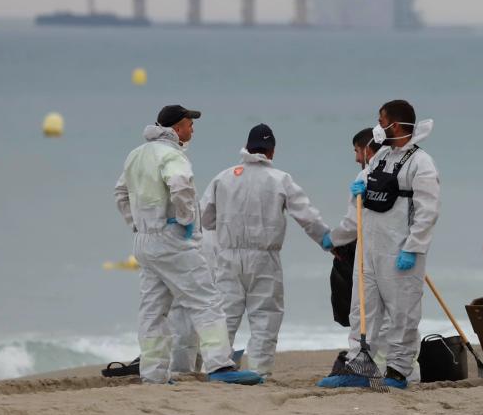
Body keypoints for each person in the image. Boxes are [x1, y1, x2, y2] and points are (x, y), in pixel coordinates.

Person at [113, 105, 261, 385]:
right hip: (171, 239)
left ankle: (153, 373)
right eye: (190, 125)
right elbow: (180, 185)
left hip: (144, 241)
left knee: (152, 309)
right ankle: (219, 364)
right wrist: (184, 219)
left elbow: (120, 193)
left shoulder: (136, 155)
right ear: (178, 128)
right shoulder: (172, 155)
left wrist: (135, 221)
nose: (192, 130)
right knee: (206, 300)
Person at [318, 100, 440, 390]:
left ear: (394, 125)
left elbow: (428, 210)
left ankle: (398, 370)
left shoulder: (420, 162)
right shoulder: (381, 156)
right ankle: (358, 364)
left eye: (381, 120)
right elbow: (362, 202)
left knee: (402, 312)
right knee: (362, 308)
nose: (378, 125)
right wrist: (359, 190)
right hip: (369, 248)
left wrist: (414, 247)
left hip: (399, 250)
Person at [199, 124, 331, 379]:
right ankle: (259, 370)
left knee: (224, 312)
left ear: (247, 148)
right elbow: (306, 215)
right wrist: (327, 240)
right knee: (265, 315)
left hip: (227, 254)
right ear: (271, 152)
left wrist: (227, 226)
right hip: (264, 255)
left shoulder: (224, 177)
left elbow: (205, 217)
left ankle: (215, 366)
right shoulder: (280, 179)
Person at [328, 128, 379, 327]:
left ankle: (365, 353)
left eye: (357, 151)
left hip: (368, 252)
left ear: (367, 149)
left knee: (363, 309)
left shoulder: (365, 176)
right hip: (391, 247)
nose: (357, 158)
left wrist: (331, 240)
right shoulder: (395, 169)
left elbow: (353, 222)